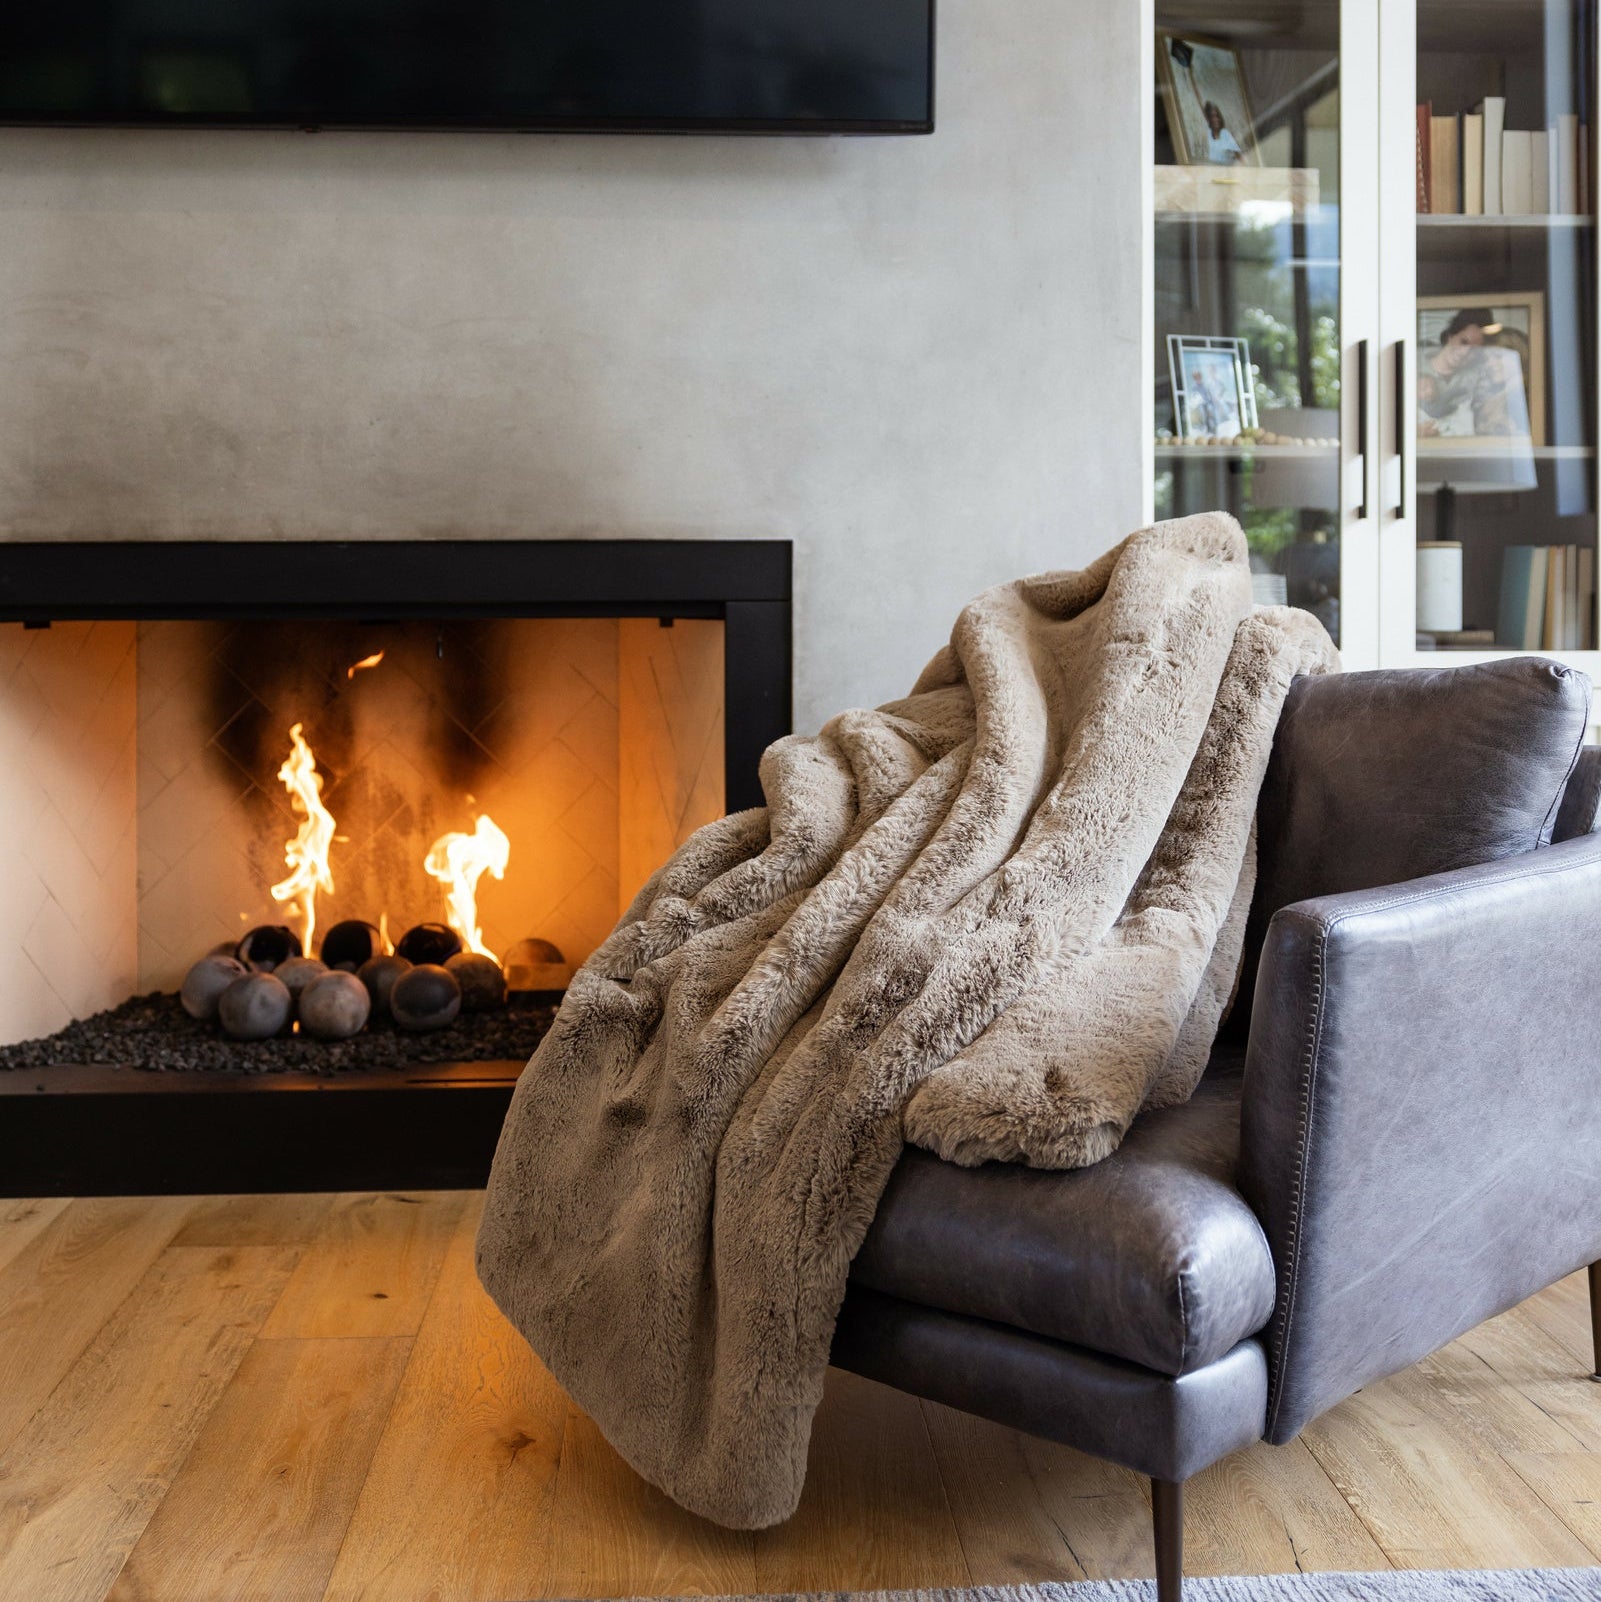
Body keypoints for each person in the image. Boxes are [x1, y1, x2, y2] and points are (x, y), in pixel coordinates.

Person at [1175, 42, 1246, 163]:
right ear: (1209, 118)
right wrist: (1190, 73)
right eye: (1213, 116)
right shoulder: (1209, 132)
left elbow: (1240, 157)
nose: (1216, 119)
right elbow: (1198, 97)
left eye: (1217, 116)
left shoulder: (1225, 134)